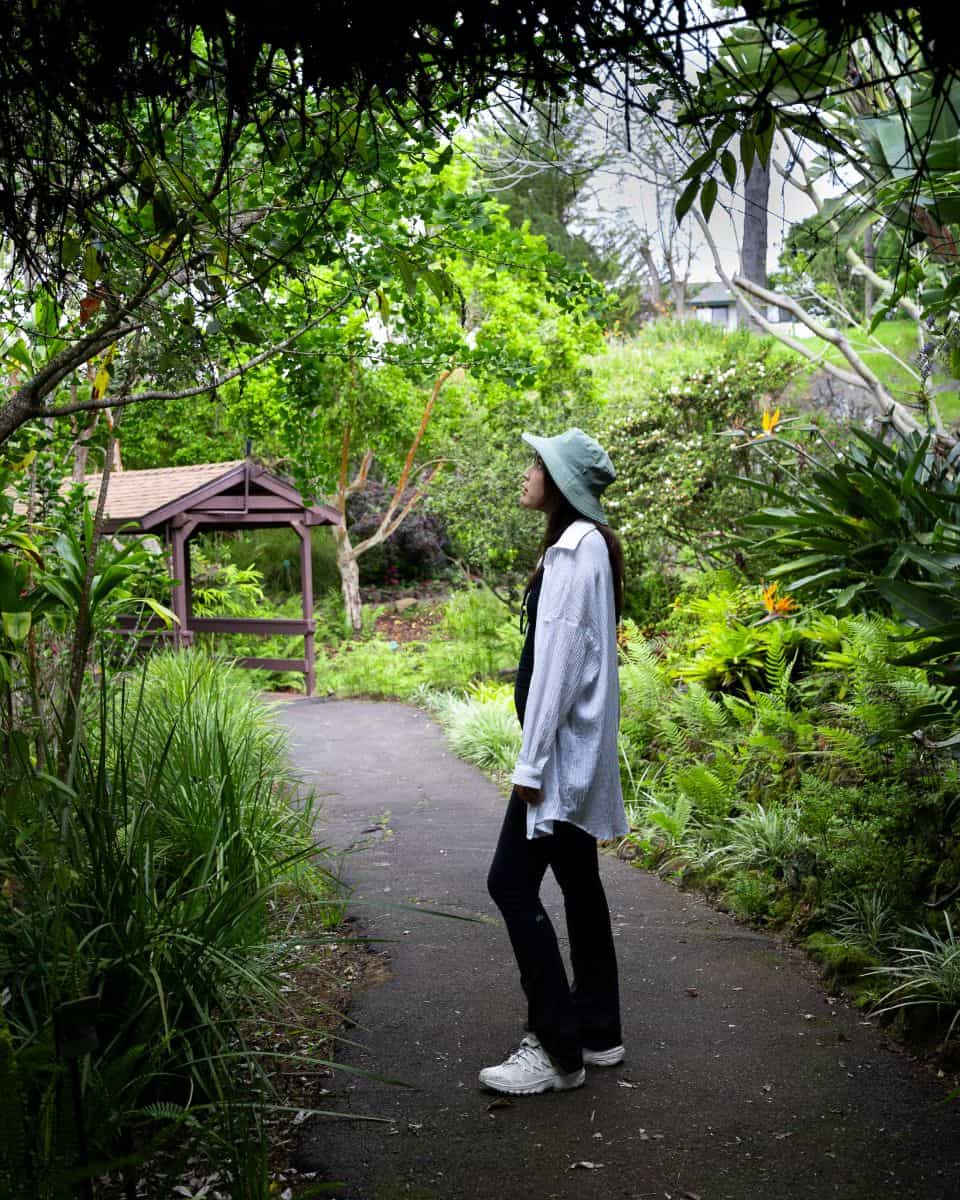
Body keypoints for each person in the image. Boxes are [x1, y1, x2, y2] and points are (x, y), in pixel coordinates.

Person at [479, 427, 628, 1096]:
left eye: (534, 465)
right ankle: (598, 1033)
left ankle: (557, 1048)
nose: (525, 474)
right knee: (578, 886)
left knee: (509, 884)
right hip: (575, 756)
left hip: (559, 760)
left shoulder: (574, 552)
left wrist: (532, 765)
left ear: (561, 481)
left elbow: (559, 671)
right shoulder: (591, 546)